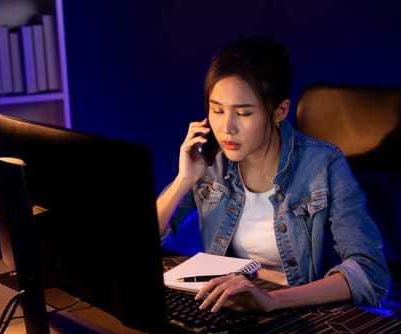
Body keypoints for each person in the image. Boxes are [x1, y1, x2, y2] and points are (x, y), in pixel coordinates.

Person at [156, 36, 391, 313]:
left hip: (301, 312)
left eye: (243, 113)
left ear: (279, 111)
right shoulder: (211, 161)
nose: (227, 128)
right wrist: (184, 180)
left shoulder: (324, 164)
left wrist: (272, 301)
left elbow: (369, 271)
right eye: (217, 110)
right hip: (230, 307)